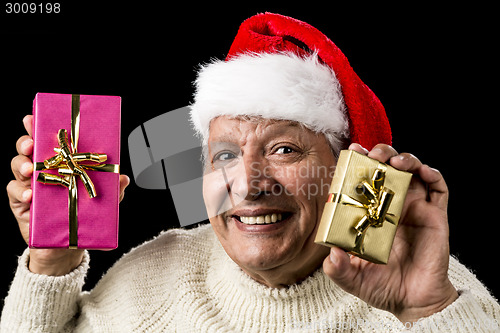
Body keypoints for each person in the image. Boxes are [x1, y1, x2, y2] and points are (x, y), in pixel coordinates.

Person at [2, 12, 499, 332]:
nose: (247, 183)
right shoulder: (154, 277)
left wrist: (425, 313)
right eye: (223, 156)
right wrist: (52, 262)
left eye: (284, 149)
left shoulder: (431, 291)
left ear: (349, 171)